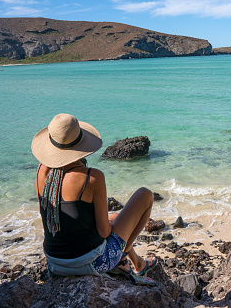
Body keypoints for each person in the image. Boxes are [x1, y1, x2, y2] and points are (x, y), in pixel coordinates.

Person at [31, 113, 157, 284]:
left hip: (54, 262)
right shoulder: (92, 177)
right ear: (80, 144)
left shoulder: (41, 171)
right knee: (145, 195)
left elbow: (50, 218)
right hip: (91, 264)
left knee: (114, 217)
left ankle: (139, 263)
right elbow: (104, 232)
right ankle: (122, 259)